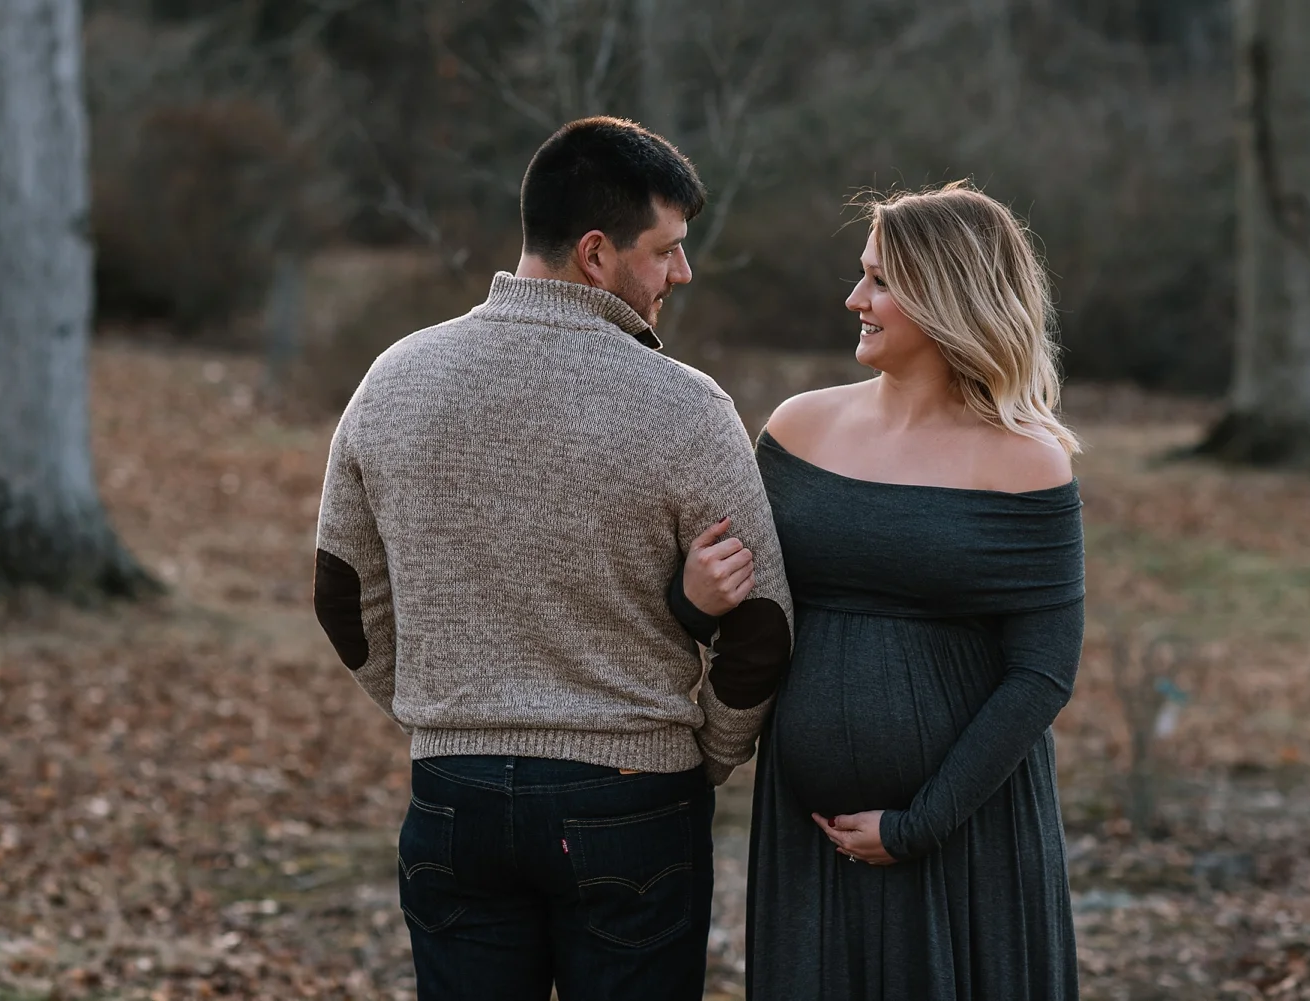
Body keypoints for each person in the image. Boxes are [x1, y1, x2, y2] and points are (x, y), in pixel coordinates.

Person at [312, 117, 793, 1001]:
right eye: (667, 251)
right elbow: (763, 627)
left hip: (453, 795)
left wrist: (449, 719)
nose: (683, 273)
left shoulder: (394, 378)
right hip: (634, 799)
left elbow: (343, 595)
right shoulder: (687, 408)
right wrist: (707, 754)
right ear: (597, 254)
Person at [677, 181, 1086, 1000]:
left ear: (947, 296)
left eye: (880, 281)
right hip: (809, 835)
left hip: (963, 837)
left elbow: (1041, 672)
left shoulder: (1027, 461)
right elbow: (753, 607)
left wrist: (920, 823)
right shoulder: (799, 427)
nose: (854, 299)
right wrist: (694, 598)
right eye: (863, 274)